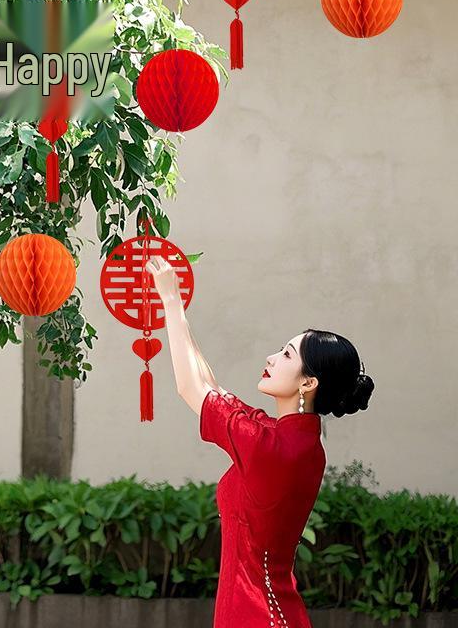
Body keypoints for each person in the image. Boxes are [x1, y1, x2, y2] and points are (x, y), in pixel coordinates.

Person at [145, 257, 375, 628]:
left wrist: (170, 301)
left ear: (308, 382)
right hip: (267, 611)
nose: (271, 357)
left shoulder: (269, 446)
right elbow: (211, 387)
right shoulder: (297, 442)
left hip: (254, 614)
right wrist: (179, 313)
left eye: (286, 355)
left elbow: (191, 388)